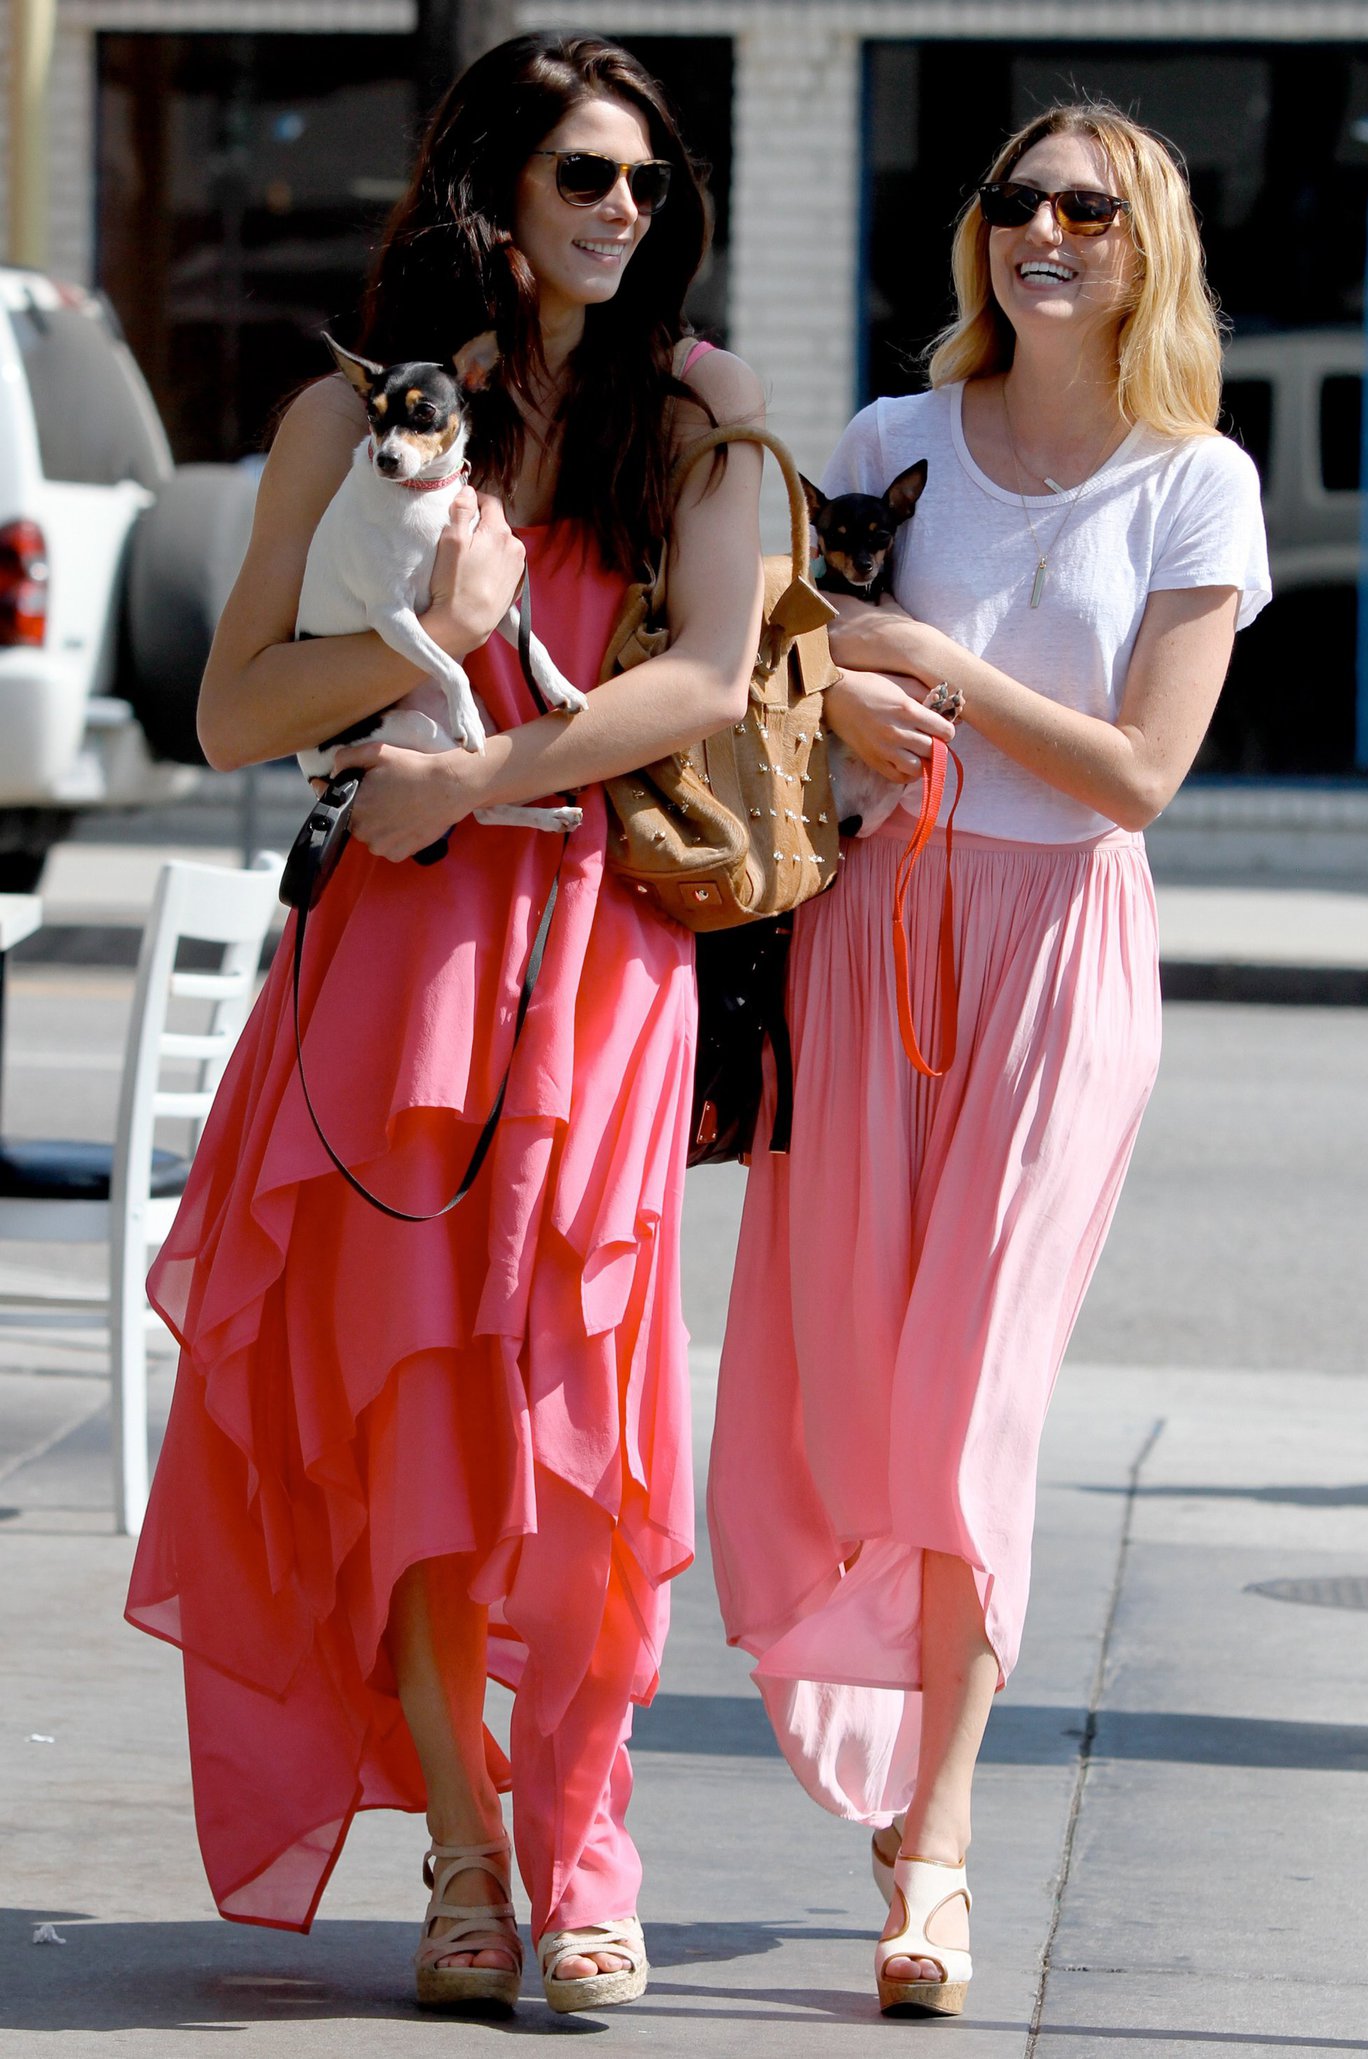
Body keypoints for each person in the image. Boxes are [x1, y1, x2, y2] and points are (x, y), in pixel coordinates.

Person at [125, 31, 764, 2018]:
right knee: (411, 1415)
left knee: (572, 1425)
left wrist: (480, 751)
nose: (622, 213)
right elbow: (233, 713)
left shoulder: (690, 413)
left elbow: (721, 681)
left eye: (648, 183)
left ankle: (582, 1839)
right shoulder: (348, 417)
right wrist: (431, 636)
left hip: (584, 946)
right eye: (585, 175)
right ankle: (468, 1847)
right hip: (392, 965)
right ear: (492, 189)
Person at [708, 102, 1268, 2017]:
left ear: (1145, 247)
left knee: (971, 1404)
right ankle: (899, 1764)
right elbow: (782, 672)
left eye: (1086, 209)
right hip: (876, 933)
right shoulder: (888, 447)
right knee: (849, 1378)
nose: (1042, 230)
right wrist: (838, 686)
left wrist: (937, 670)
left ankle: (934, 1847)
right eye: (1016, 201)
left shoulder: (1197, 483)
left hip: (1060, 958)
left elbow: (1139, 777)